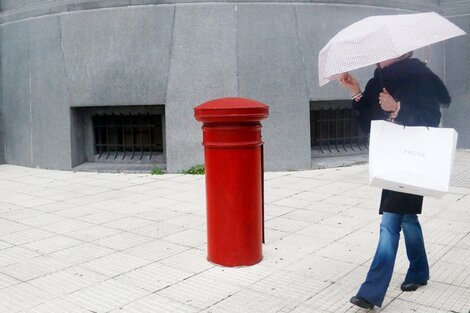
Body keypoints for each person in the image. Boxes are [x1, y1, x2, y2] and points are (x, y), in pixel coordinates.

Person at [339, 51, 451, 310]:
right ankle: (419, 270)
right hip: (391, 159)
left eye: (384, 52)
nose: (378, 56)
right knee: (408, 218)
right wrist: (356, 91)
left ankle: (371, 291)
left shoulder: (419, 78)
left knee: (389, 222)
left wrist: (398, 108)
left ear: (401, 53)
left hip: (412, 159)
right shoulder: (377, 81)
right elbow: (367, 124)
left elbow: (431, 119)